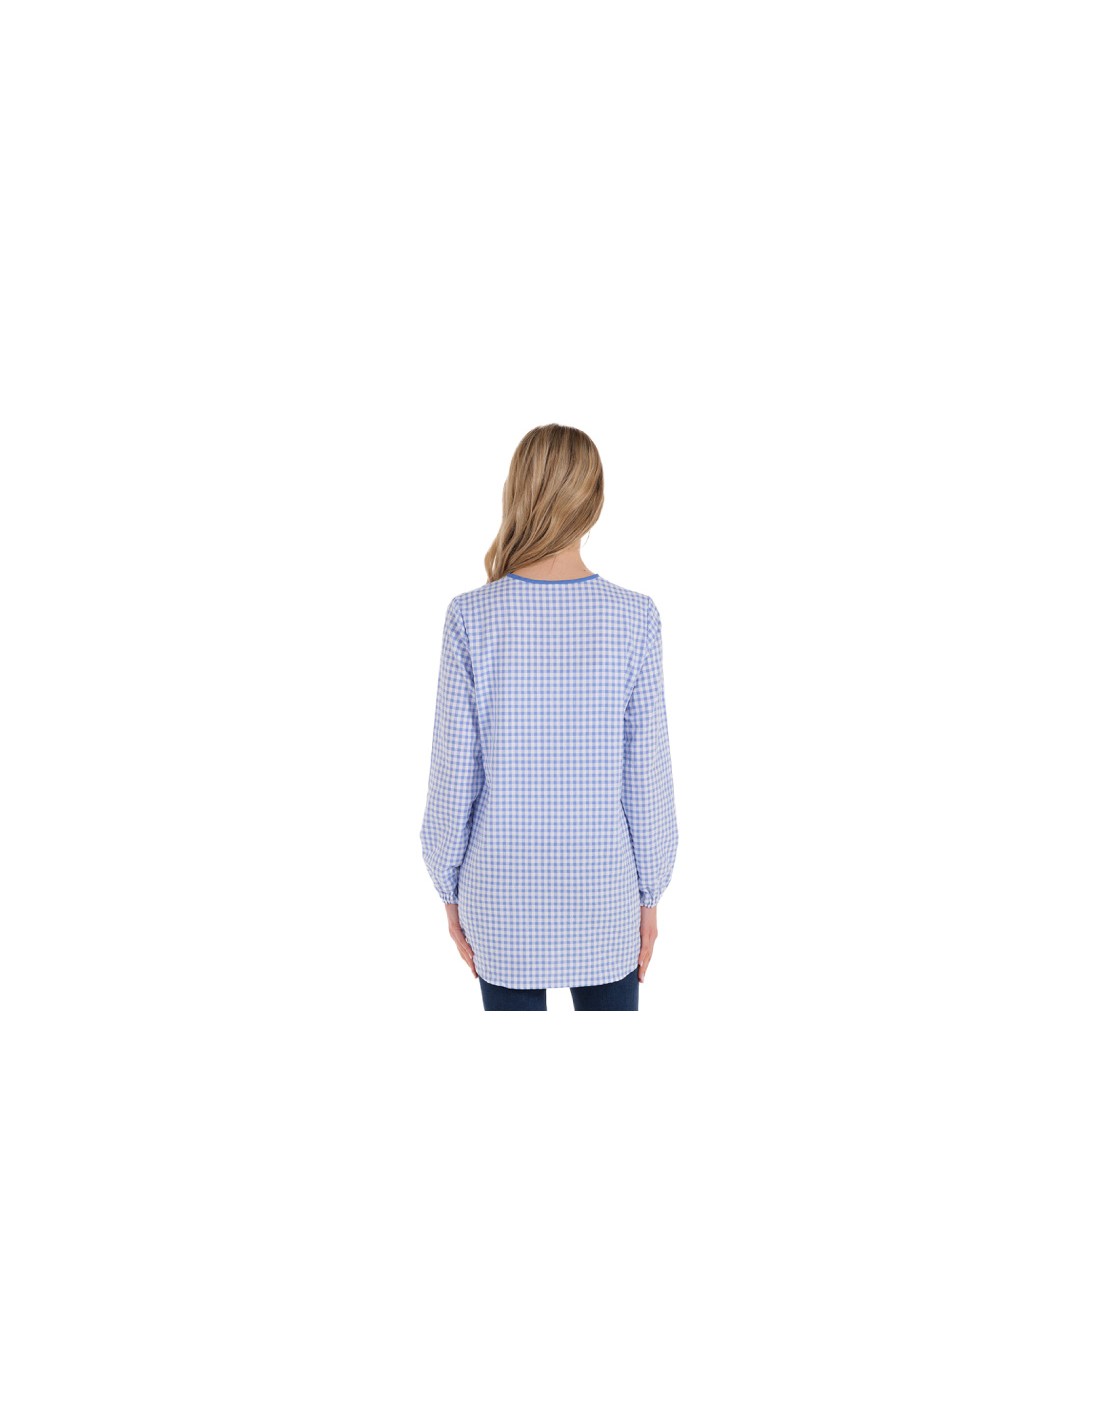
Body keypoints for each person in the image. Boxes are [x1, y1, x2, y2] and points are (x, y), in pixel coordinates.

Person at [419, 424, 678, 1012]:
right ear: (594, 499)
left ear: (518, 491)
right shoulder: (635, 618)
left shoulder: (470, 618)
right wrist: (650, 895)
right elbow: (647, 780)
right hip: (605, 895)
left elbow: (454, 778)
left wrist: (448, 887)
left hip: (500, 896)